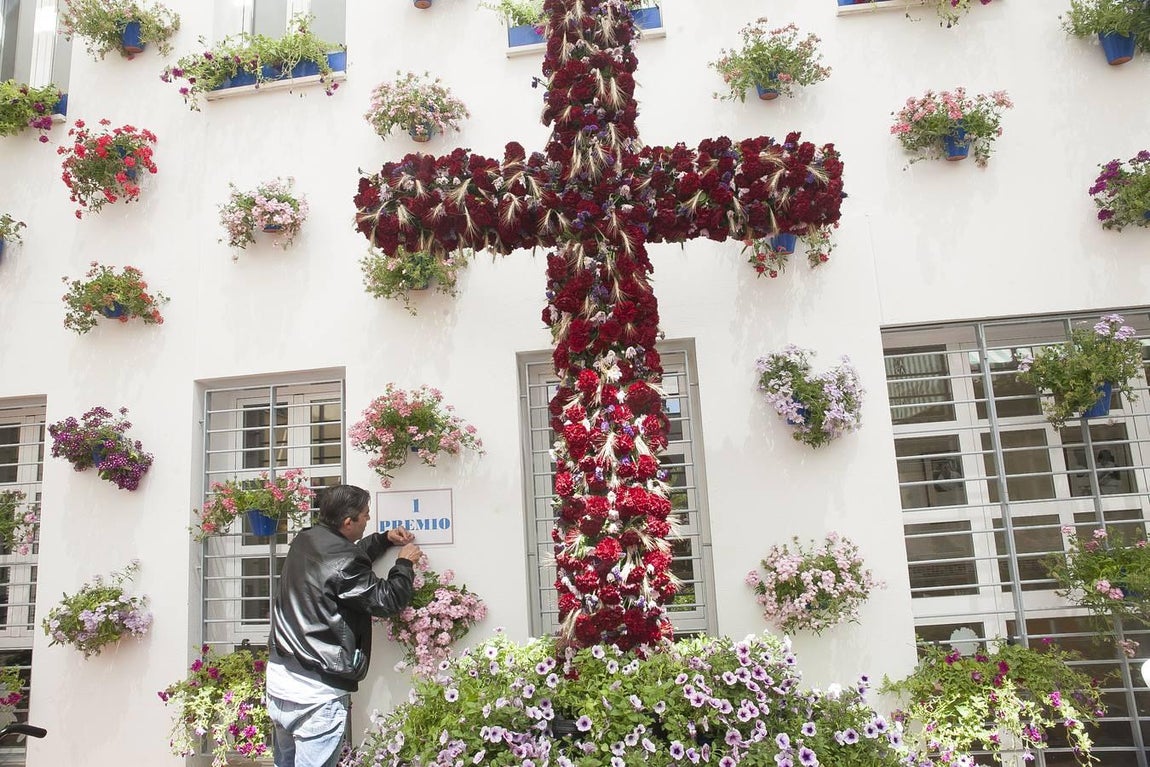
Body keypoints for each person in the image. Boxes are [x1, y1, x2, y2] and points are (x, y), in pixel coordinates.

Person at [266, 484, 421, 767]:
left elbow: (342, 564)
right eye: (365, 515)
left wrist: (383, 539)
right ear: (348, 522)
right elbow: (387, 600)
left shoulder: (306, 539)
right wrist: (404, 564)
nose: (369, 518)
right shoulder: (343, 561)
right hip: (315, 694)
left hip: (280, 680)